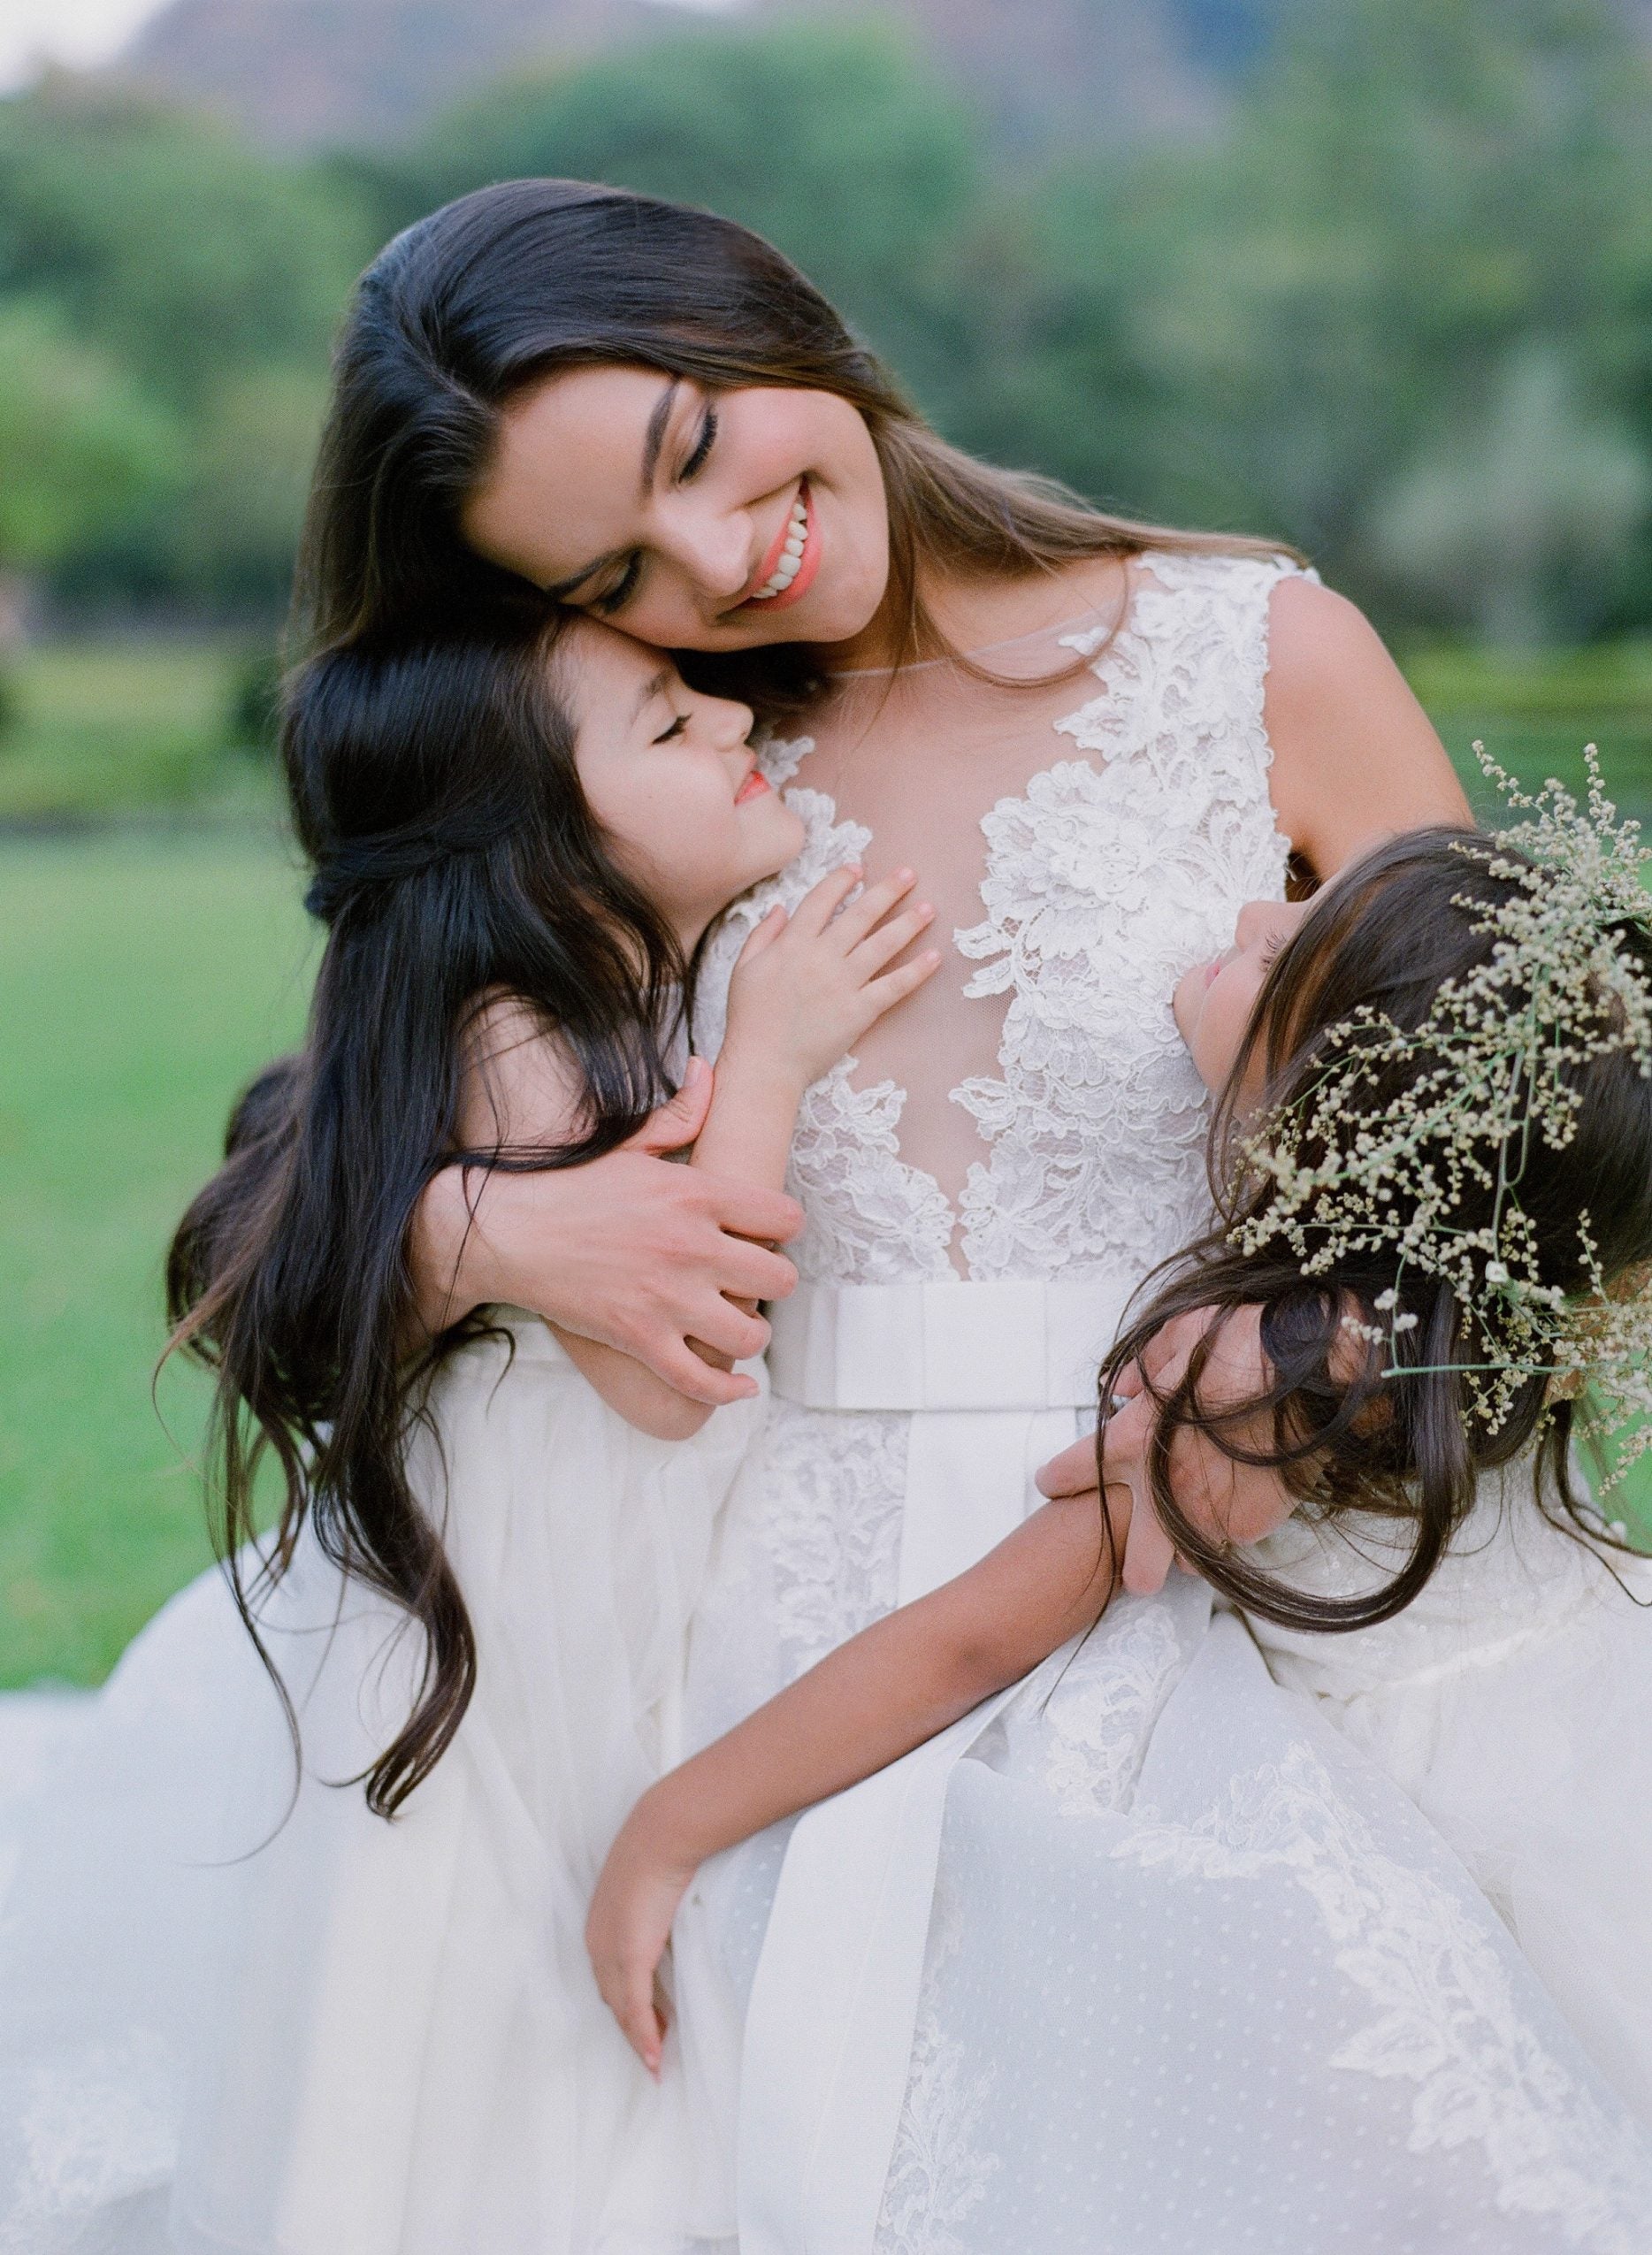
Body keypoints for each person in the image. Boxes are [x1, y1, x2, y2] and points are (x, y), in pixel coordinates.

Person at [305, 179, 1649, 2247]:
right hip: (759, 1599)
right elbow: (291, 1191)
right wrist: (487, 1234)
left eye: (695, 451)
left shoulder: (1253, 654)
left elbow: (1508, 1127)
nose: (718, 563)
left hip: (1203, 1543)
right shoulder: (658, 760)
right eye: (616, 569)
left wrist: (1323, 1361)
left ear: (763, 314)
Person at [0, 608, 936, 2251]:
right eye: (665, 723)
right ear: (545, 850)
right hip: (528, 1646)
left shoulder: (595, 995)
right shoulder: (521, 1038)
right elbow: (671, 1369)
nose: (731, 722)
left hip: (596, 1610)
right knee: (477, 2042)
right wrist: (775, 1060)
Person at [585, 770, 1652, 2145]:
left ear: (1324, 1116)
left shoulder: (1252, 1397)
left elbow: (970, 1639)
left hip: (1453, 1811)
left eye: (1287, 947)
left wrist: (668, 1827)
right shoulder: (1511, 1313)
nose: (1253, 912)